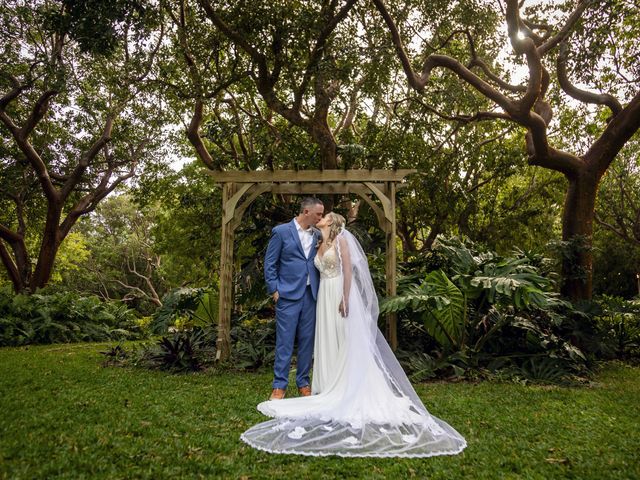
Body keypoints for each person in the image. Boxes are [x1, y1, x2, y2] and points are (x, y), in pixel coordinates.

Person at [242, 212, 467, 457]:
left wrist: (345, 298)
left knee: (344, 339)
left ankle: (346, 384)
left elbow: (348, 272)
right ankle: (326, 385)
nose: (321, 217)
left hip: (338, 293)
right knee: (326, 339)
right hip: (323, 298)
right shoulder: (320, 242)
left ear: (332, 222)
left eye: (325, 216)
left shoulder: (341, 241)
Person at [263, 197, 324, 400]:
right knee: (285, 341)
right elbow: (270, 263)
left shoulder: (318, 235)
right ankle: (279, 385)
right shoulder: (281, 232)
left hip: (311, 295)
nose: (321, 218)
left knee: (307, 341)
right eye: (318, 214)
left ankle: (303, 383)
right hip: (287, 294)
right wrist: (274, 289)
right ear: (306, 212)